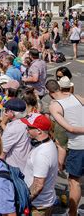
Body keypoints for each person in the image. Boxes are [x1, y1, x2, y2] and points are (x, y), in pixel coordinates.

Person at [47, 80, 84, 216]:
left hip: (78, 146)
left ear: (50, 93)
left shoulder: (55, 106)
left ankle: (72, 213)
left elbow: (70, 128)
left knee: (74, 182)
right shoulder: (78, 97)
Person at [21, 113, 58, 215]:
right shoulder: (47, 143)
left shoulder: (42, 154)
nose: (26, 130)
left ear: (39, 130)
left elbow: (38, 185)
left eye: (29, 127)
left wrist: (24, 200)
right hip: (43, 202)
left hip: (37, 206)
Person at [0, 99, 32, 173]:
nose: (4, 113)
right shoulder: (28, 121)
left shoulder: (12, 128)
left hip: (14, 168)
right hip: (25, 164)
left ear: (12, 112)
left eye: (6, 110)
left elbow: (2, 153)